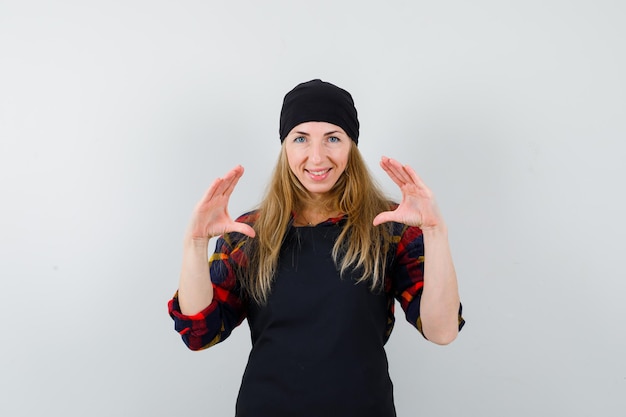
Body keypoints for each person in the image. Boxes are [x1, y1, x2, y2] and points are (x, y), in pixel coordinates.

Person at [168, 79, 465, 417]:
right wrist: (195, 243)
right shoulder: (249, 232)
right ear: (285, 147)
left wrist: (435, 231)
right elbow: (198, 333)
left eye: (333, 139)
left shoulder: (389, 228)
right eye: (301, 139)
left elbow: (442, 331)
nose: (317, 156)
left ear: (351, 145)